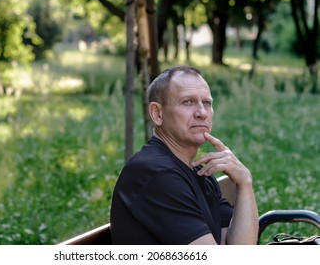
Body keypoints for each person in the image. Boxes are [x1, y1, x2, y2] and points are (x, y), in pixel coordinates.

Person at [110, 65, 258, 245]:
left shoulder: (199, 173)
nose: (202, 113)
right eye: (188, 102)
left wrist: (245, 182)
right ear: (157, 114)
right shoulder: (156, 175)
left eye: (207, 103)